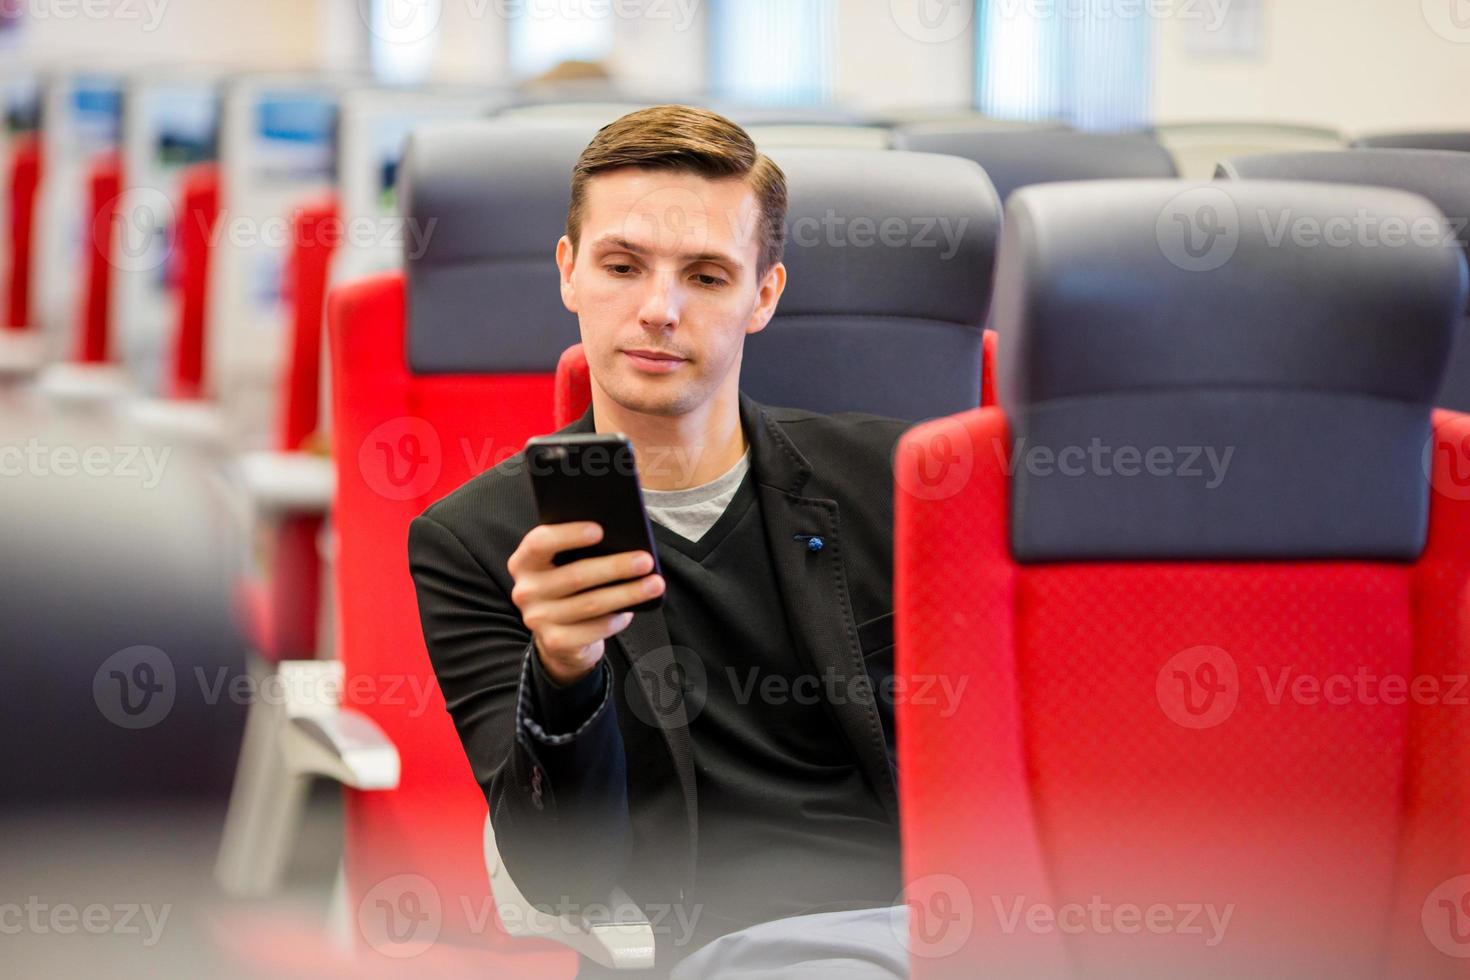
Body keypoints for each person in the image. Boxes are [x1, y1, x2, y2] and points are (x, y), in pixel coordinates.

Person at [409, 105, 909, 978]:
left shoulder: (893, 484)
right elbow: (563, 876)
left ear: (763, 296)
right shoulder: (478, 542)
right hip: (706, 947)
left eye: (708, 276)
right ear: (568, 273)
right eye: (622, 265)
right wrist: (563, 677)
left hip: (924, 927)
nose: (659, 310)